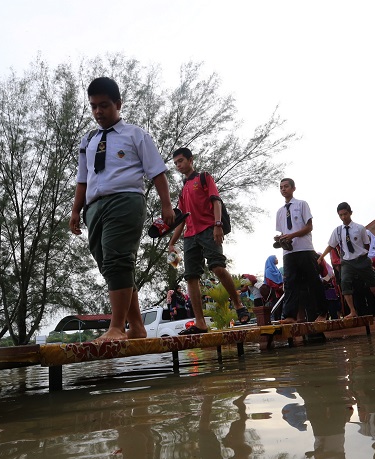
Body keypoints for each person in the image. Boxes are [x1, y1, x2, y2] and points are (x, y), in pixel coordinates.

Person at [69, 77, 174, 341]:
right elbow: (82, 178)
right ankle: (137, 327)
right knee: (109, 265)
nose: (98, 112)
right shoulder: (88, 141)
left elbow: (157, 172)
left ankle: (117, 327)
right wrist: (75, 211)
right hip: (94, 207)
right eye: (93, 106)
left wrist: (166, 205)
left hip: (125, 201)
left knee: (118, 259)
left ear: (118, 104)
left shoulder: (135, 134)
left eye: (104, 105)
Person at [166, 148, 250, 334]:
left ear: (190, 160)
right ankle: (200, 322)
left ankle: (238, 305)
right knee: (191, 277)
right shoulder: (183, 190)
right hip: (190, 236)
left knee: (217, 267)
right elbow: (181, 220)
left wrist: (218, 225)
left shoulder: (203, 178)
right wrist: (172, 242)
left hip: (209, 230)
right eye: (176, 163)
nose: (179, 165)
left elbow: (216, 201)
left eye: (181, 161)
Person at [275, 178, 328, 324]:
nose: (283, 189)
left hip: (304, 248)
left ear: (293, 188)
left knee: (313, 281)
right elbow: (284, 231)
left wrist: (291, 235)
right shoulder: (280, 211)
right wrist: (280, 238)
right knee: (291, 283)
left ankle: (323, 313)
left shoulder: (301, 204)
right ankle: (290, 316)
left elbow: (309, 227)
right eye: (281, 187)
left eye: (286, 186)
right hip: (288, 252)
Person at [318, 202, 375, 318]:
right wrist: (321, 257)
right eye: (340, 215)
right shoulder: (337, 231)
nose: (343, 217)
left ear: (350, 213)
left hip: (362, 259)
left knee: (373, 283)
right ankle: (352, 311)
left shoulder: (360, 228)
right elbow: (331, 245)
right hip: (347, 261)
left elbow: (366, 244)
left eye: (345, 214)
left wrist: (364, 256)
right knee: (345, 282)